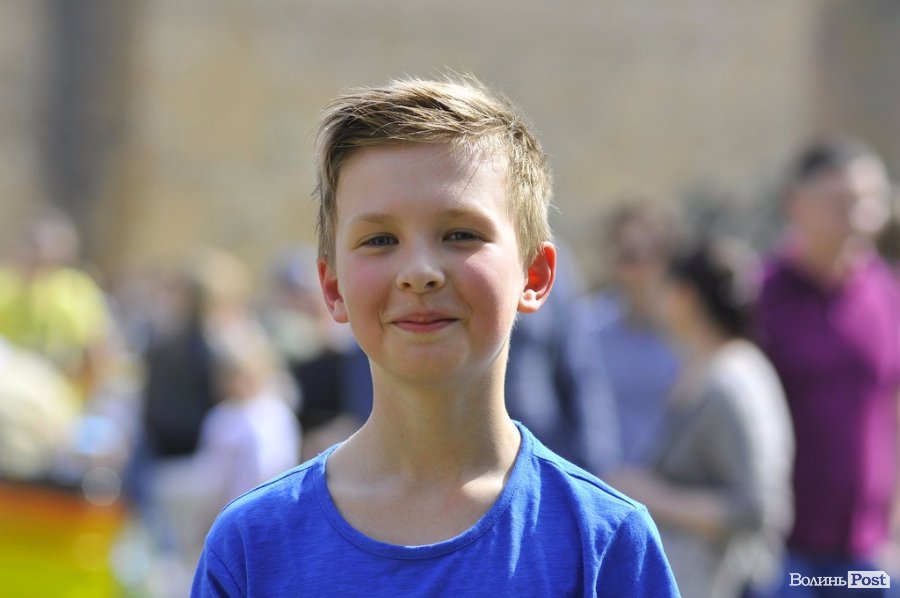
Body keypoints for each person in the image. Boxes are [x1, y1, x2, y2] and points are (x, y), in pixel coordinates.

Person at [192, 76, 679, 596]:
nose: (419, 272)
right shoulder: (252, 546)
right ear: (332, 287)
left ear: (535, 275)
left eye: (460, 234)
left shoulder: (605, 543)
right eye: (380, 239)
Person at [755, 139, 900, 597]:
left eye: (871, 201)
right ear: (795, 204)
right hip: (781, 553)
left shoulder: (887, 295)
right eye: (842, 203)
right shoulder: (759, 296)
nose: (859, 218)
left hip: (869, 553)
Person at [611, 240, 794, 597]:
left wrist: (648, 495)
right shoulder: (711, 365)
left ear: (685, 297)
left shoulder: (732, 380)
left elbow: (757, 509)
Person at [583, 202, 680, 468]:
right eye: (630, 257)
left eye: (654, 254)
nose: (642, 271)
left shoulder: (690, 333)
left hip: (670, 484)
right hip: (599, 481)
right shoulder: (586, 328)